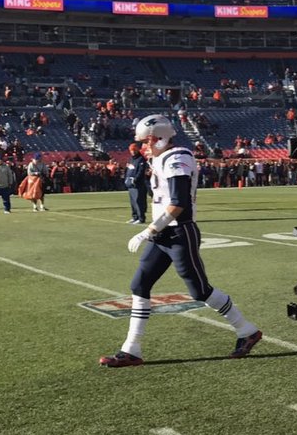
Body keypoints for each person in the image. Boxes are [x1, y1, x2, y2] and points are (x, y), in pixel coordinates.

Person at [99, 114, 261, 368]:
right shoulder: (163, 157)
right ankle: (132, 349)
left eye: (146, 141)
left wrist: (149, 230)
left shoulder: (177, 158)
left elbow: (179, 203)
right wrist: (154, 231)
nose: (143, 147)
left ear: (160, 138)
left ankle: (246, 330)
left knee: (199, 291)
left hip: (179, 232)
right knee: (139, 284)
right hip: (164, 233)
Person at [124, 140, 150, 223]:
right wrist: (126, 178)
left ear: (137, 150)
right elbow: (127, 170)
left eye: (134, 150)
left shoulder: (141, 159)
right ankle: (135, 217)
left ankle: (141, 218)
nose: (132, 152)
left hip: (138, 184)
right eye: (131, 151)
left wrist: (135, 180)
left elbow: (141, 171)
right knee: (133, 202)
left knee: (139, 201)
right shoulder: (130, 159)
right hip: (130, 184)